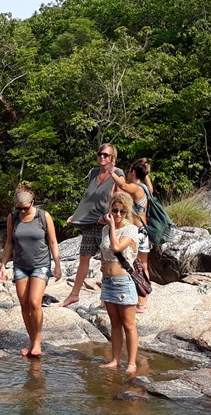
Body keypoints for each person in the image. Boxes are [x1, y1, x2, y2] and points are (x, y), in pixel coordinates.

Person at [0, 185, 62, 358]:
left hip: (40, 264)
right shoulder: (13, 218)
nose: (23, 211)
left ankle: (38, 341)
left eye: (26, 208)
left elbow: (53, 242)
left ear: (33, 203)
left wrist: (57, 264)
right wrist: (3, 265)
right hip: (20, 265)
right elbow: (10, 242)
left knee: (34, 302)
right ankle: (31, 341)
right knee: (24, 304)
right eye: (20, 208)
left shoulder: (43, 216)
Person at [62, 144, 125, 307]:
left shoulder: (118, 174)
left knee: (106, 260)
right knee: (84, 257)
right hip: (90, 222)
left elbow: (120, 200)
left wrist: (108, 217)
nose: (102, 157)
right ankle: (74, 294)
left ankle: (106, 298)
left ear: (113, 157)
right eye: (100, 154)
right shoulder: (94, 173)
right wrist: (76, 216)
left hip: (104, 223)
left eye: (106, 155)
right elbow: (88, 200)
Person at [97, 191, 140, 373]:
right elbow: (105, 250)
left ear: (127, 213)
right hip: (108, 281)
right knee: (114, 324)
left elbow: (116, 247)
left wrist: (113, 226)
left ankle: (131, 363)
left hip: (123, 281)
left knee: (128, 324)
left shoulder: (131, 230)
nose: (118, 215)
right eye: (115, 210)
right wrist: (102, 264)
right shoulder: (105, 229)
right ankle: (115, 359)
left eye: (122, 212)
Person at [110, 159, 153, 312]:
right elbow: (150, 186)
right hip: (144, 231)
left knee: (137, 265)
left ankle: (141, 301)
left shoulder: (135, 188)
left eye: (129, 172)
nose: (127, 174)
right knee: (143, 265)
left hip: (137, 232)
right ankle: (143, 299)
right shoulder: (146, 188)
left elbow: (122, 186)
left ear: (133, 173)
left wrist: (111, 171)